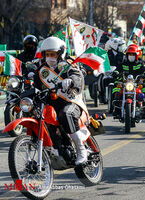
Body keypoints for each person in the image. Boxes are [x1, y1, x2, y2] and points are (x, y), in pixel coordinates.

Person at [32, 36, 88, 165]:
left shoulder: (68, 65)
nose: (50, 57)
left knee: (66, 114)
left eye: (53, 54)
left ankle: (81, 150)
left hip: (71, 101)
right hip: (50, 103)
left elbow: (77, 76)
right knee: (36, 116)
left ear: (60, 54)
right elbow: (36, 85)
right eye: (47, 54)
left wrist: (71, 80)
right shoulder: (42, 70)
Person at [112, 43, 145, 118]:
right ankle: (116, 109)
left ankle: (144, 109)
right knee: (116, 88)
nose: (131, 56)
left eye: (133, 54)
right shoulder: (123, 64)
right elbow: (117, 70)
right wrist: (116, 73)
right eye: (129, 54)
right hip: (125, 82)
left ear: (136, 55)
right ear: (126, 55)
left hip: (137, 82)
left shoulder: (140, 64)